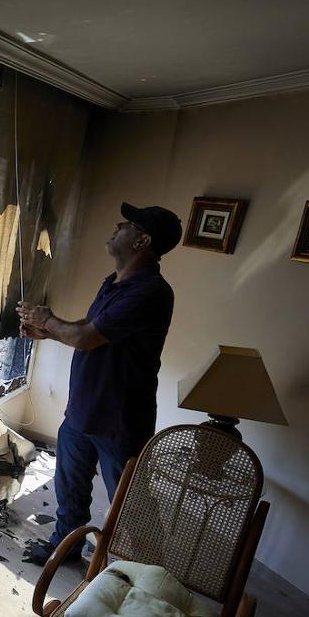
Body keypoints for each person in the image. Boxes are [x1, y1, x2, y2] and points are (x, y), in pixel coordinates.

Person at [17, 202, 181, 565]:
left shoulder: (151, 292)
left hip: (119, 422)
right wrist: (50, 332)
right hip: (82, 411)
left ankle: (144, 575)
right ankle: (67, 547)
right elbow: (91, 334)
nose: (117, 224)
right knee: (70, 491)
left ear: (142, 240)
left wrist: (48, 319)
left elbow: (88, 337)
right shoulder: (114, 283)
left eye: (127, 223)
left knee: (131, 505)